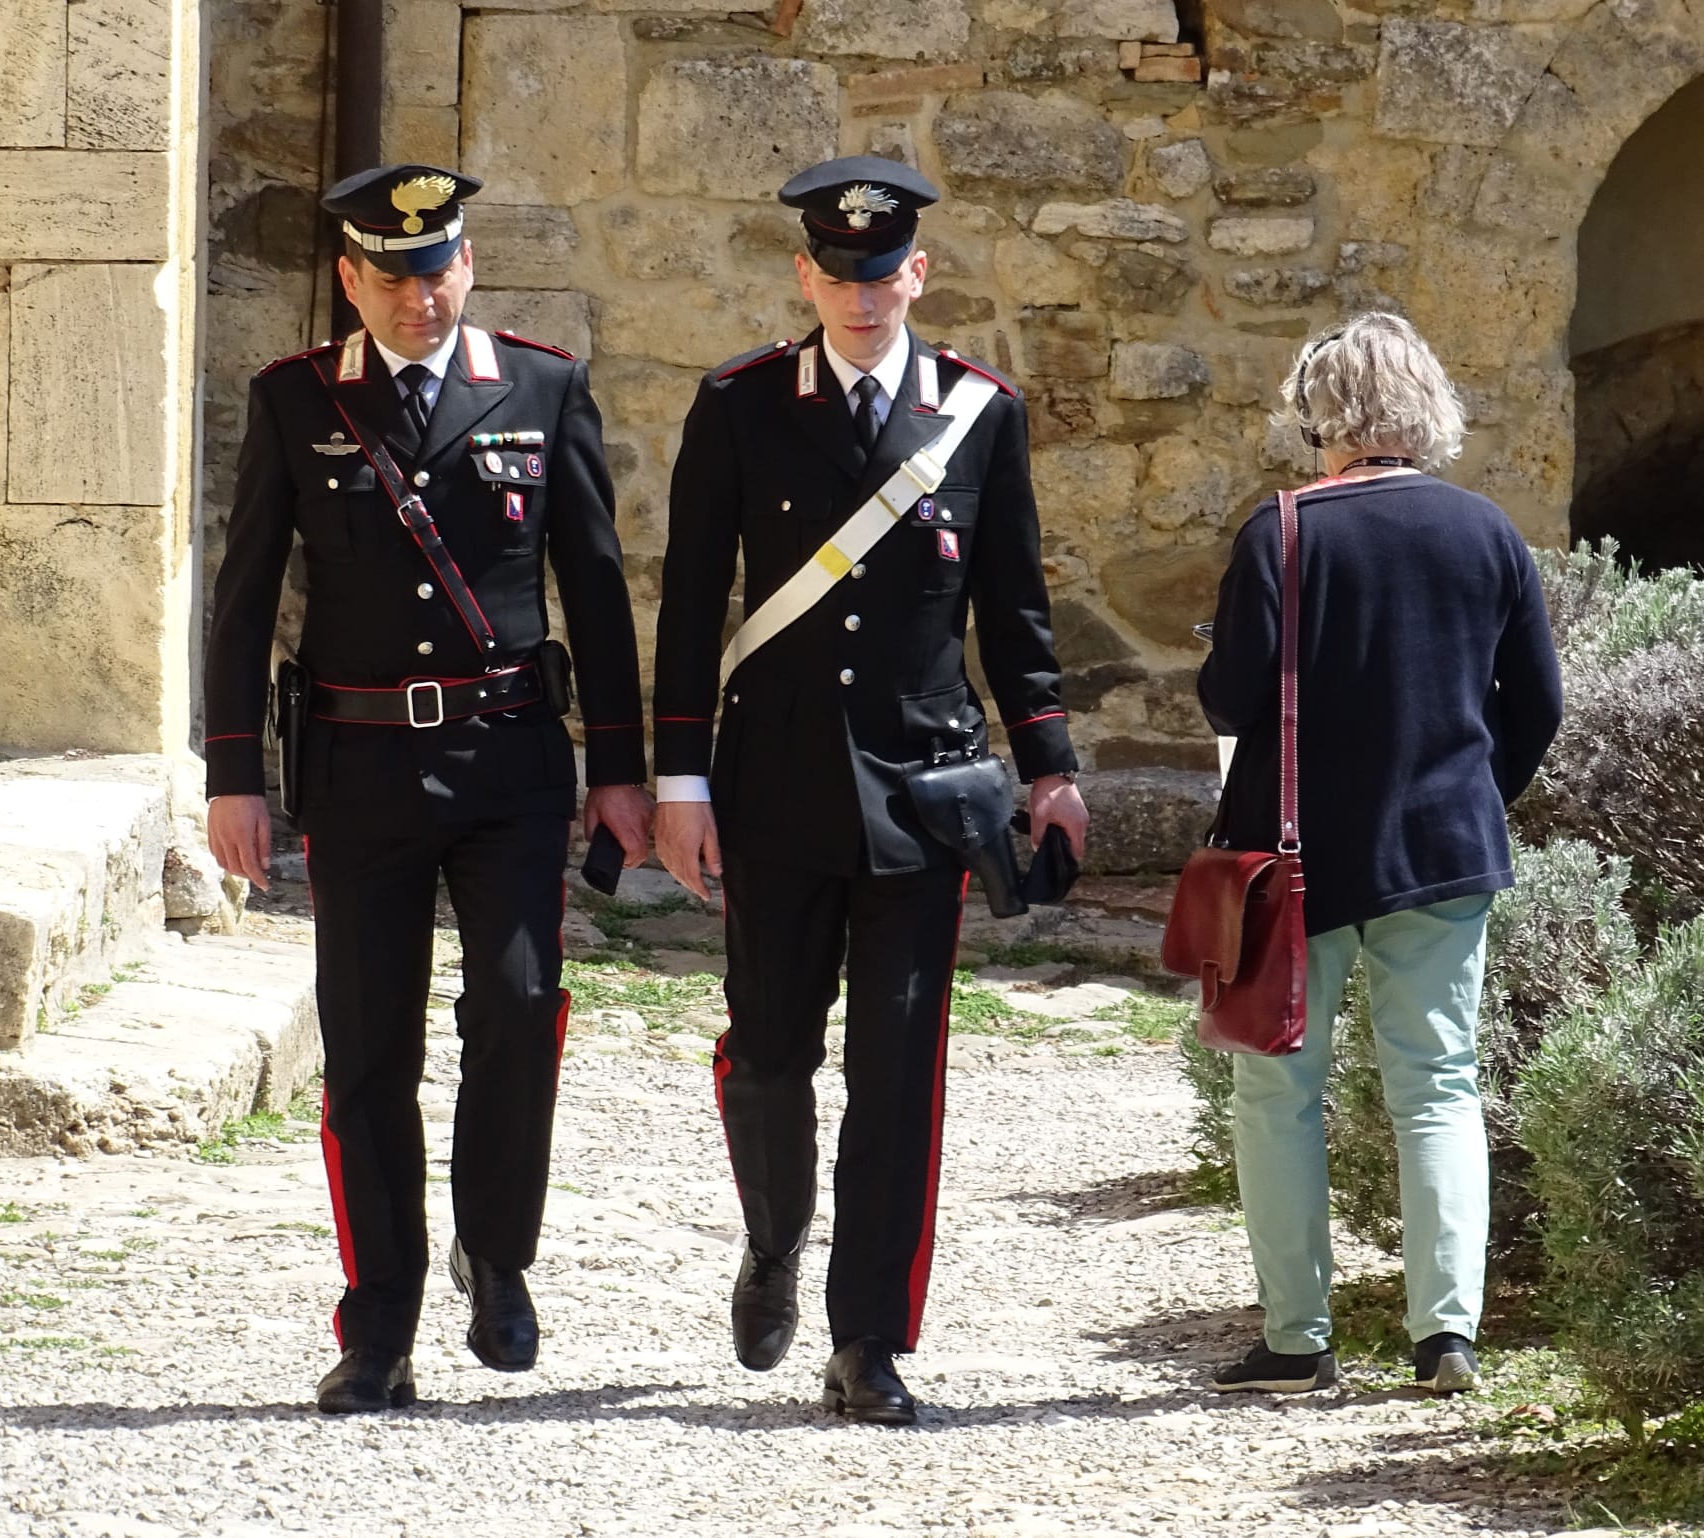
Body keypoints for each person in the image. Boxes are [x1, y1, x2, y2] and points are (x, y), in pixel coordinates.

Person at [204, 163, 653, 1414]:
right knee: (365, 1053)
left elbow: (598, 591)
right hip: (357, 773)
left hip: (508, 764)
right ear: (351, 279)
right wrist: (234, 774)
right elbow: (243, 601)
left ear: (468, 265)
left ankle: (495, 1256)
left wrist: (618, 766)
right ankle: (379, 1320)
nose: (419, 294)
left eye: (438, 267)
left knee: (515, 1006)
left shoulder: (543, 386)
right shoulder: (296, 402)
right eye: (392, 275)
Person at [651, 155, 1090, 1425]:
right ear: (805, 275)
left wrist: (1049, 765)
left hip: (921, 789)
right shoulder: (737, 404)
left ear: (919, 273)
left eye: (882, 270)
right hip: (774, 784)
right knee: (771, 1054)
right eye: (835, 272)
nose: (860, 293)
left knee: (898, 1073)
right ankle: (774, 1236)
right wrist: (681, 781)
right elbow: (688, 603)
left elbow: (1011, 607)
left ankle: (867, 1340)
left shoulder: (976, 411)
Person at [1198, 312, 1563, 1397]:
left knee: (1276, 1091)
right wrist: (1468, 795)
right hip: (1442, 855)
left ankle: (1297, 1339)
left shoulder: (1282, 533)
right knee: (1438, 1086)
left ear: (1319, 417)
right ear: (1426, 409)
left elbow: (1228, 694)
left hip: (1296, 862)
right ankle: (1444, 1333)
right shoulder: (1484, 530)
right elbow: (1534, 705)